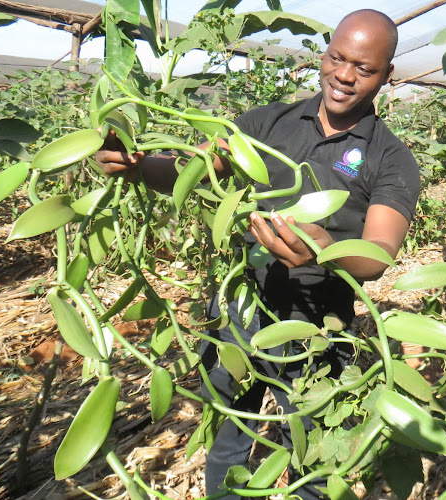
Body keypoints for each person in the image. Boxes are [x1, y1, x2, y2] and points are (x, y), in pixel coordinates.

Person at [96, 9, 420, 498]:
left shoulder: (390, 158)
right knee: (226, 442)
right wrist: (139, 166)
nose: (345, 75)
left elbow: (377, 254)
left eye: (365, 68)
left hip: (317, 328)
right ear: (326, 53)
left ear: (387, 75)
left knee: (309, 453)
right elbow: (192, 169)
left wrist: (324, 251)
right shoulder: (267, 123)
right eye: (337, 58)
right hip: (237, 315)